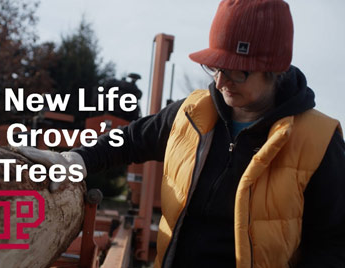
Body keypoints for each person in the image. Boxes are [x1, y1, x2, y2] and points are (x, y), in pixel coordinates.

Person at [18, 0, 345, 267]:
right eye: (216, 68)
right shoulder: (191, 114)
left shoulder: (318, 139)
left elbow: (332, 244)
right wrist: (75, 160)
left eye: (237, 73)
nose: (220, 82)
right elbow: (129, 140)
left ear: (276, 69)